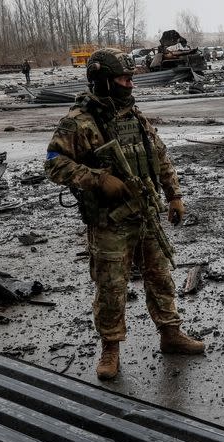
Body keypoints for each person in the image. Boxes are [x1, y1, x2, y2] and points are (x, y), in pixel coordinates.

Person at [44, 48, 204, 381]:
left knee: (160, 276)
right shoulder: (78, 121)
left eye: (131, 78)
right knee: (111, 287)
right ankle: (111, 348)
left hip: (145, 214)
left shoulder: (135, 115)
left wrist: (174, 194)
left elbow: (158, 155)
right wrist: (100, 180)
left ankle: (170, 334)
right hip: (109, 221)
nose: (129, 84)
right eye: (122, 79)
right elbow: (53, 163)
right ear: (102, 81)